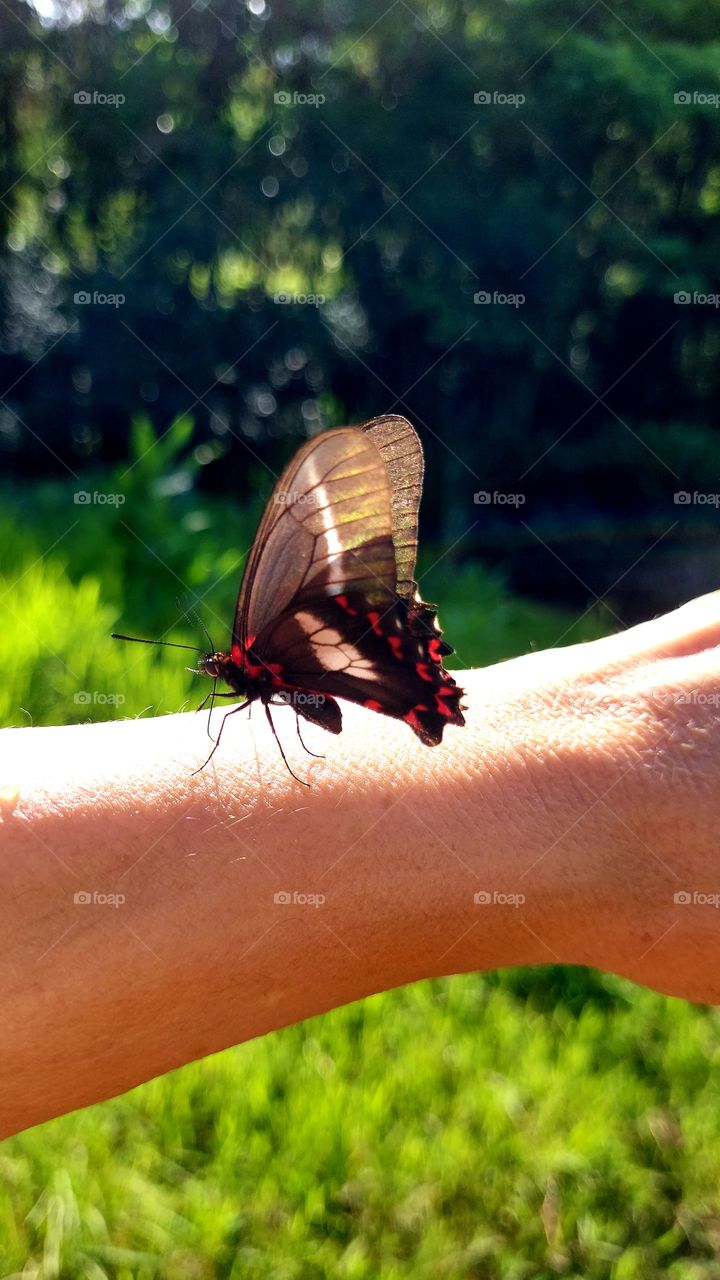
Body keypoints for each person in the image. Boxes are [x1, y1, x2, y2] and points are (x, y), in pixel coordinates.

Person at [2, 590, 719, 1138]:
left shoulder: (264, 653)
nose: (218, 672)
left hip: (350, 672)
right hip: (343, 673)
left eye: (219, 667)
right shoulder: (260, 666)